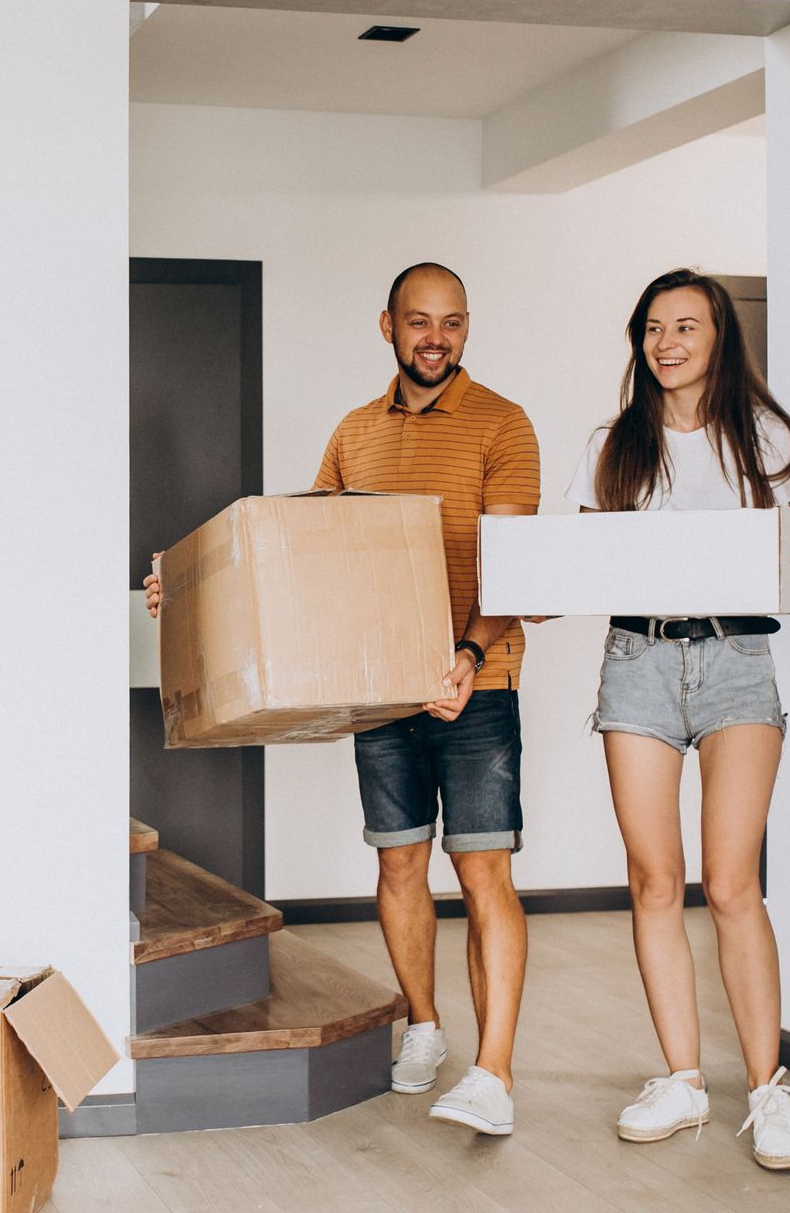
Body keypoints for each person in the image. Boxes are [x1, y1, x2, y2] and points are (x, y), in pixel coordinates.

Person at [146, 263, 540, 1136]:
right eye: (418, 321)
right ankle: (426, 1029)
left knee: (483, 873)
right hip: (383, 692)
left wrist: (470, 655)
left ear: (466, 330)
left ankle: (495, 1072)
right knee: (400, 862)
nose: (434, 337)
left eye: (451, 323)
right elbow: (305, 553)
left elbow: (520, 567)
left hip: (477, 685)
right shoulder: (355, 432)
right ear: (387, 327)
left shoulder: (503, 423)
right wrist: (185, 586)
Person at [568, 268, 790, 1171]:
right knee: (655, 879)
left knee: (732, 883)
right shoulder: (612, 444)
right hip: (637, 661)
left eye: (685, 326)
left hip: (737, 662)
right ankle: (683, 1081)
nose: (666, 343)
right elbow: (582, 561)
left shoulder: (769, 436)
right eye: (654, 327)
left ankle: (767, 1091)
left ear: (718, 338)